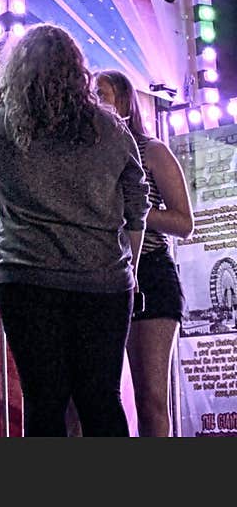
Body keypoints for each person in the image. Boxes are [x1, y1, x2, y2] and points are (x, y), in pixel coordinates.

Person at [0, 24, 150, 437]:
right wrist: (131, 268)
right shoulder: (110, 129)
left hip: (26, 277)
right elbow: (137, 205)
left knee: (44, 398)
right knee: (101, 398)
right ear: (78, 69)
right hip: (104, 281)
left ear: (16, 71)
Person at [95, 70, 194, 437]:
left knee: (151, 397)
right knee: (96, 393)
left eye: (101, 93)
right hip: (102, 272)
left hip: (150, 272)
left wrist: (135, 210)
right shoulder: (90, 155)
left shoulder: (152, 150)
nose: (94, 100)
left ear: (123, 100)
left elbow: (184, 222)